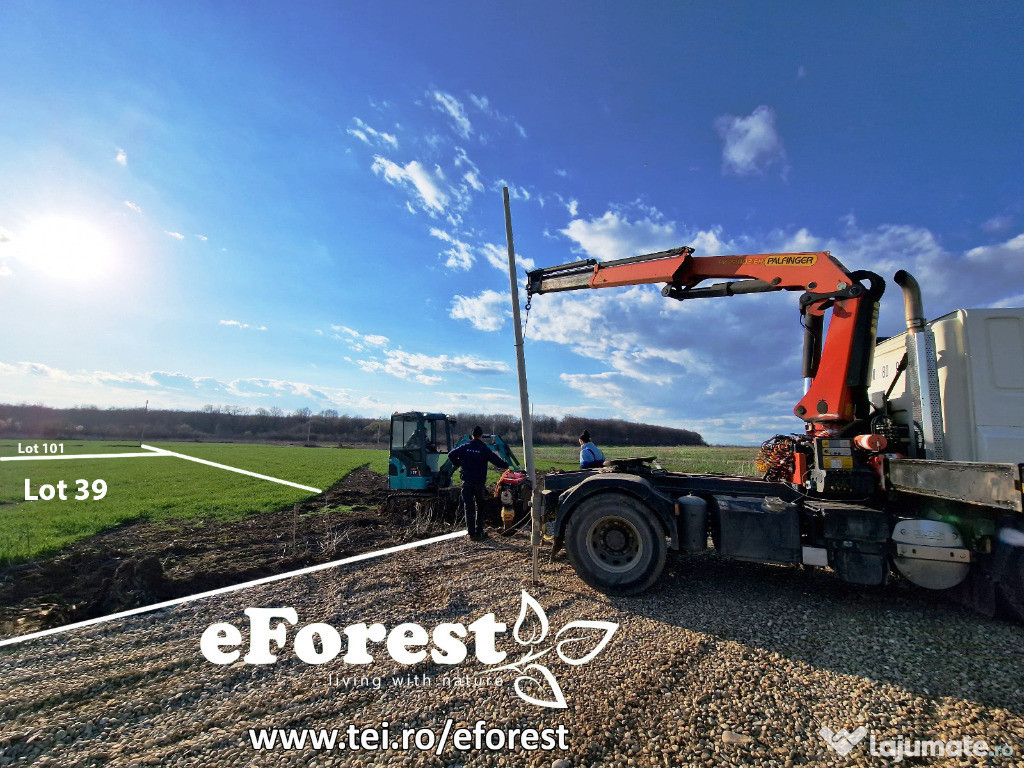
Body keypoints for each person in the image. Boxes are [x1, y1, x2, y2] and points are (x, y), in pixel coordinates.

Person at [447, 426, 508, 540]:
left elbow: (451, 454)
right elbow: (496, 461)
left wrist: (459, 463)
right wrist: (506, 465)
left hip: (467, 482)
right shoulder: (483, 448)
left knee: (468, 507)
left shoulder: (465, 447)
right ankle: (479, 531)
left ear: (472, 436)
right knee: (480, 507)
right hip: (479, 483)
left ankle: (471, 533)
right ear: (481, 436)